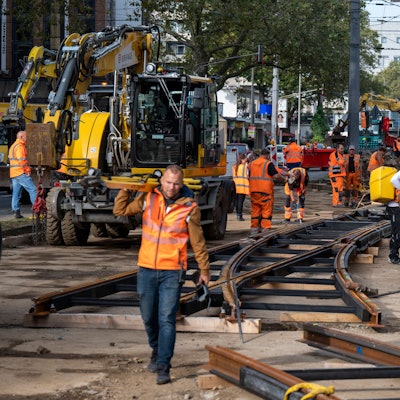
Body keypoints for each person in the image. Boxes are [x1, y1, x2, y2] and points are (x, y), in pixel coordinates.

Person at [113, 165, 210, 385]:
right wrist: (126, 189)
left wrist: (204, 270)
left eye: (176, 183)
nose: (171, 187)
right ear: (162, 181)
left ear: (181, 183)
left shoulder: (189, 207)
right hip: (146, 268)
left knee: (167, 318)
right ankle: (156, 350)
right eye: (168, 182)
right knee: (148, 316)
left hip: (173, 271)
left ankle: (164, 365)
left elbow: (198, 241)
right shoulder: (149, 197)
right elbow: (121, 210)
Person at [249, 148, 287, 234]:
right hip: (265, 191)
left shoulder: (252, 164)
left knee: (255, 210)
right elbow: (276, 176)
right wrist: (284, 180)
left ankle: (254, 230)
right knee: (266, 211)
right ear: (267, 155)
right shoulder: (267, 164)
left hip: (254, 191)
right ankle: (265, 229)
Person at [8, 130, 37, 218]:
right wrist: (27, 170)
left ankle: (16, 212)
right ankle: (37, 210)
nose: (27, 138)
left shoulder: (13, 146)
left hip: (14, 173)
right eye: (26, 136)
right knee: (33, 190)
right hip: (21, 172)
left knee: (16, 193)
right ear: (21, 137)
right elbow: (22, 161)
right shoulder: (20, 147)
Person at [387, 170, 400, 264]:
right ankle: (393, 256)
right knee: (396, 232)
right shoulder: (398, 174)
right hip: (394, 207)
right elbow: (393, 180)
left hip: (397, 206)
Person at [232, 153, 249, 221]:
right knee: (240, 202)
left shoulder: (234, 166)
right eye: (245, 159)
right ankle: (239, 215)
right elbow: (247, 176)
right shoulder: (245, 166)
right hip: (243, 187)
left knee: (236, 201)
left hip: (235, 186)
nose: (246, 160)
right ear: (242, 159)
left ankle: (238, 214)